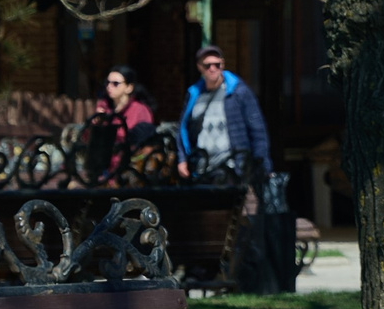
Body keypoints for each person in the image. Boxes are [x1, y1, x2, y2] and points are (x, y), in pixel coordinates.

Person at [177, 42, 271, 204]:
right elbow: (183, 129)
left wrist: (262, 163)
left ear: (223, 65)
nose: (213, 69)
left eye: (217, 64)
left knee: (239, 215)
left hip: (234, 167)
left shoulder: (238, 92)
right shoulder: (194, 94)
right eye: (208, 66)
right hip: (203, 169)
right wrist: (182, 159)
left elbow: (257, 129)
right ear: (199, 67)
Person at [88, 65, 155, 176]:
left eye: (115, 83)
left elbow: (144, 145)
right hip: (100, 169)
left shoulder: (140, 110)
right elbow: (88, 141)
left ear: (129, 87)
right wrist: (95, 125)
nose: (109, 87)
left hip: (128, 171)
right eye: (107, 83)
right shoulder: (103, 108)